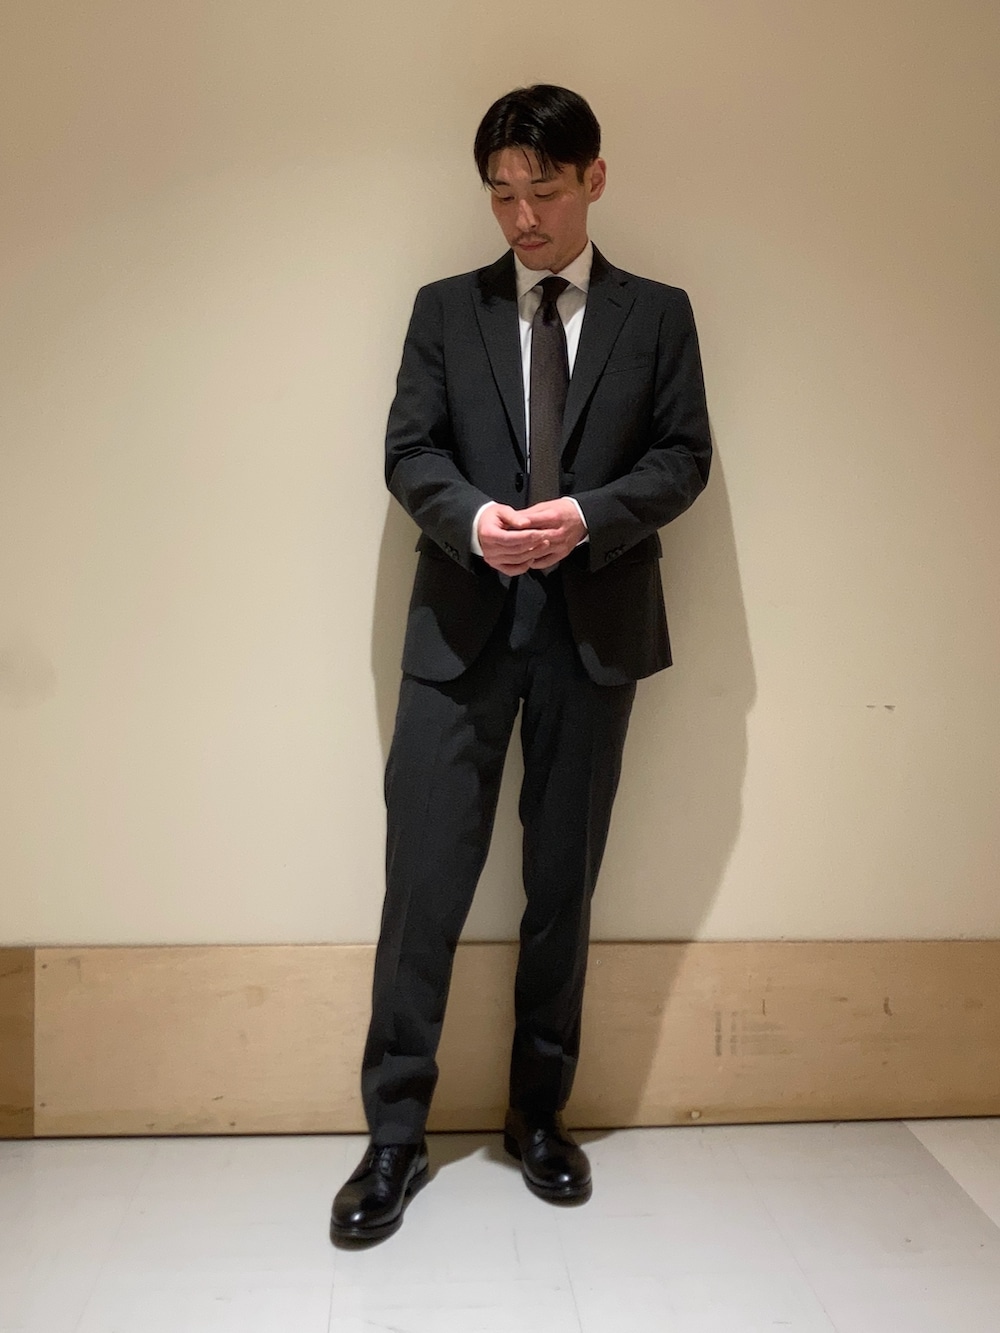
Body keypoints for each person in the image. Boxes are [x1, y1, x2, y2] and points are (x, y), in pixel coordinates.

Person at [331, 84, 711, 1244]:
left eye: (541, 190)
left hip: (592, 637)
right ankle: (394, 1135)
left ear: (593, 178)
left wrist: (589, 514)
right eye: (500, 194)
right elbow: (409, 449)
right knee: (421, 886)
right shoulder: (444, 310)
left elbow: (683, 456)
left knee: (562, 887)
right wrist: (473, 521)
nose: (521, 217)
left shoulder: (659, 315)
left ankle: (538, 1115)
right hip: (458, 634)